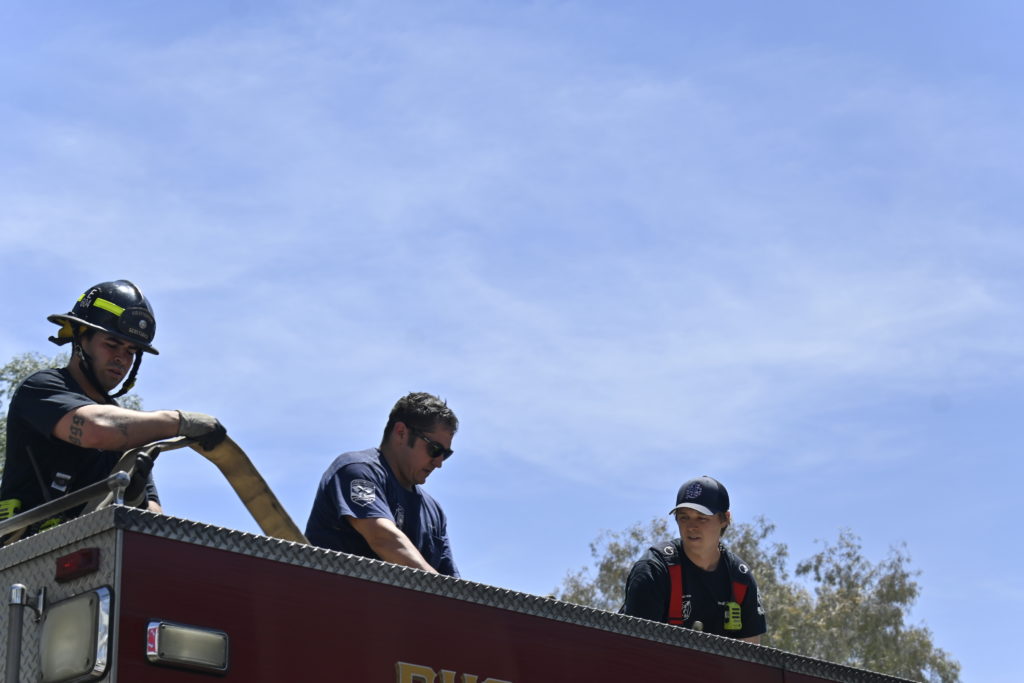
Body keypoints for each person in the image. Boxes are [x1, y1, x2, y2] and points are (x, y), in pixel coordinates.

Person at [0, 280, 226, 535]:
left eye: (131, 351)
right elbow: (97, 429)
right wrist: (181, 422)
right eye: (112, 344)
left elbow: (155, 515)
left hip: (87, 546)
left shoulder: (129, 430)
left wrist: (136, 501)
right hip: (21, 551)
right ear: (80, 337)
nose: (121, 358)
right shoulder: (43, 388)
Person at [305, 392, 459, 576]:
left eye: (445, 454)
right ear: (401, 433)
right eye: (434, 449)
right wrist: (434, 587)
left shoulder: (435, 512)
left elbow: (451, 583)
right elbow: (382, 538)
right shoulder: (357, 471)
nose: (439, 463)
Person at [620, 475, 766, 643]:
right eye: (684, 517)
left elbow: (750, 654)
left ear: (725, 519)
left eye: (702, 518)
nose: (691, 527)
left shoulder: (740, 579)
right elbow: (635, 650)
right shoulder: (654, 569)